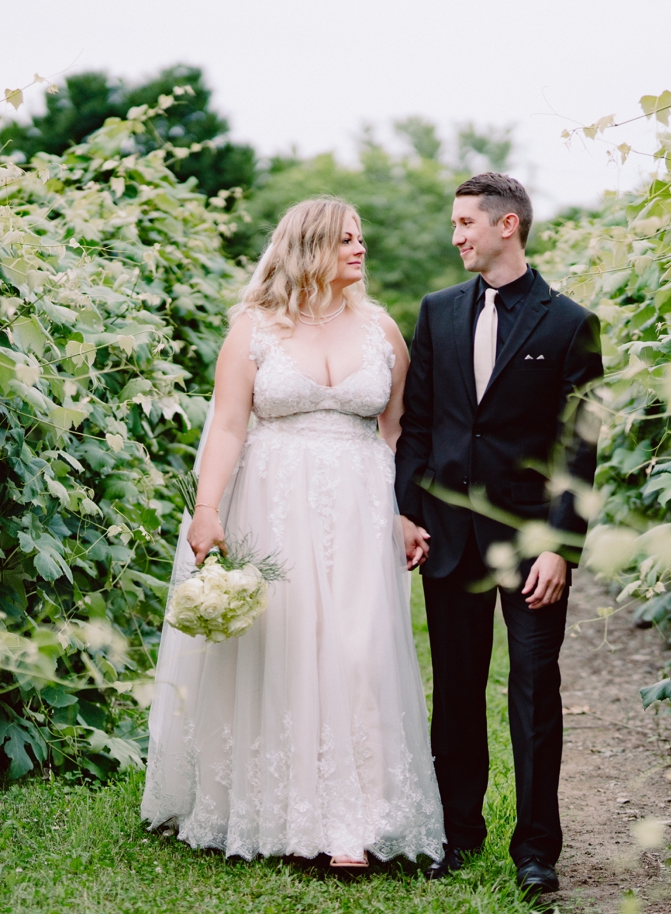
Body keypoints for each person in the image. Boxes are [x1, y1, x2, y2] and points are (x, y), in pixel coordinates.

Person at [141, 198, 444, 871]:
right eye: (344, 240)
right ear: (308, 247)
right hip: (274, 502)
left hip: (361, 506)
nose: (360, 250)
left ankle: (358, 819)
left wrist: (403, 510)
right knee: (288, 648)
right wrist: (208, 507)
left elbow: (398, 429)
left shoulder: (381, 330)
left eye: (360, 238)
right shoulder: (253, 329)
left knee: (358, 650)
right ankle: (277, 806)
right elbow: (226, 426)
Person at [395, 173, 602, 901]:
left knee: (533, 690)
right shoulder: (437, 313)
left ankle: (537, 850)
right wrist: (407, 508)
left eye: (465, 224)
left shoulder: (570, 323)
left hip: (530, 543)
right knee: (454, 689)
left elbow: (579, 451)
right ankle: (458, 832)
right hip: (449, 535)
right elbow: (419, 423)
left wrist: (558, 545)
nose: (456, 237)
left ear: (506, 225)